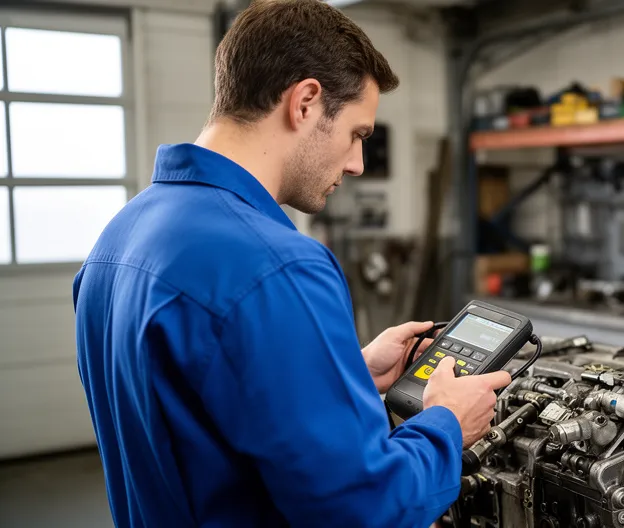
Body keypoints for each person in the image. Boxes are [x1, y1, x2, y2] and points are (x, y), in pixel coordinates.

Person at [72, 1, 511, 526]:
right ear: (305, 102)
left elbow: (201, 418)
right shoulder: (278, 267)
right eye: (357, 134)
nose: (356, 164)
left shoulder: (117, 240)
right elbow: (361, 508)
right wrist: (446, 424)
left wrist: (344, 372)